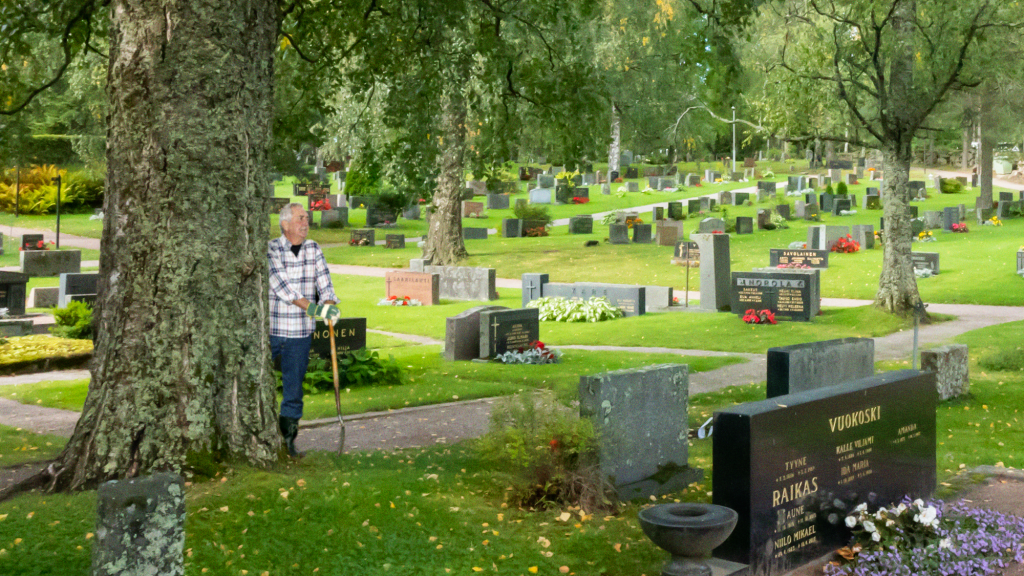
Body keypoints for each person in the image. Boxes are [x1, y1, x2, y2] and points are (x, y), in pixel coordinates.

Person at [268, 203, 341, 457]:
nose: (305, 222)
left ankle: (288, 442)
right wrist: (315, 310)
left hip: (300, 333)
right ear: (285, 224)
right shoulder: (272, 249)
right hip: (273, 330)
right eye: (300, 218)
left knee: (293, 391)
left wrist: (329, 306)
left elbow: (325, 285)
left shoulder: (313, 249)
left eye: (307, 218)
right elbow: (283, 288)